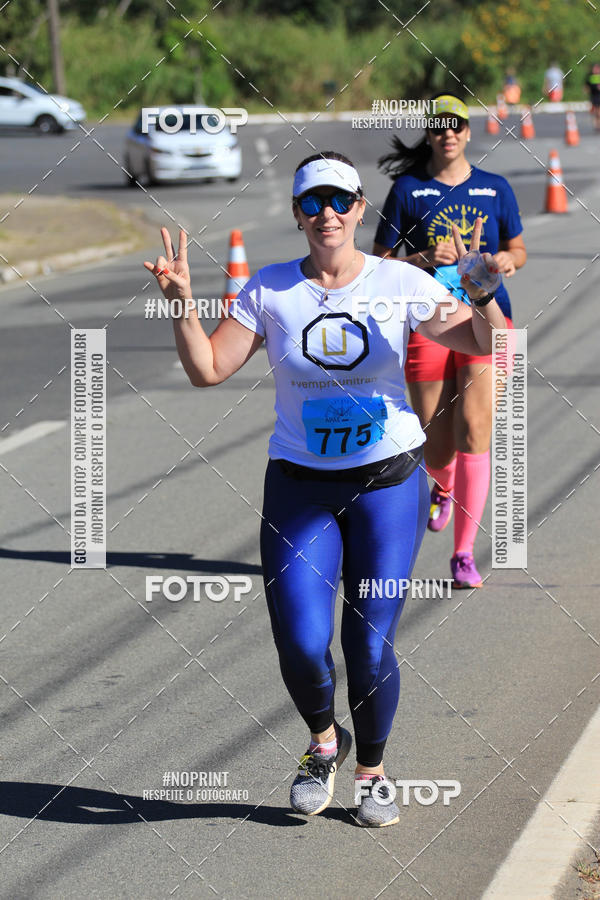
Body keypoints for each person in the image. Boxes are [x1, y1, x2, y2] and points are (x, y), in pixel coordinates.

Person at [144, 151, 505, 827]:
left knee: (368, 643)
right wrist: (182, 308)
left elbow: (482, 342)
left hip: (388, 485)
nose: (328, 214)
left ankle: (373, 772)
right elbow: (208, 369)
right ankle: (322, 742)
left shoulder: (399, 282)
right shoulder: (271, 289)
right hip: (300, 490)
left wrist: (480, 287)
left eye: (341, 200)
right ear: (297, 215)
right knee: (303, 642)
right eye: (313, 203)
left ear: (360, 208)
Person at [373, 94, 526, 588]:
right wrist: (421, 257)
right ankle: (445, 485)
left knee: (476, 429)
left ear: (467, 131)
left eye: (456, 126)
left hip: (486, 320)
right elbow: (377, 265)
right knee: (435, 445)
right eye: (439, 128)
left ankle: (463, 554)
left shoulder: (494, 188)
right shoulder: (408, 189)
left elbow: (518, 250)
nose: (448, 134)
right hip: (430, 323)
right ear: (431, 134)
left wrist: (503, 262)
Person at [586, 63, 600, 131]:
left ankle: (598, 125)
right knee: (595, 112)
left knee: (598, 112)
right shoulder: (590, 77)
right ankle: (596, 125)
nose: (595, 70)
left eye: (596, 69)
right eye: (594, 69)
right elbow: (587, 85)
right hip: (594, 96)